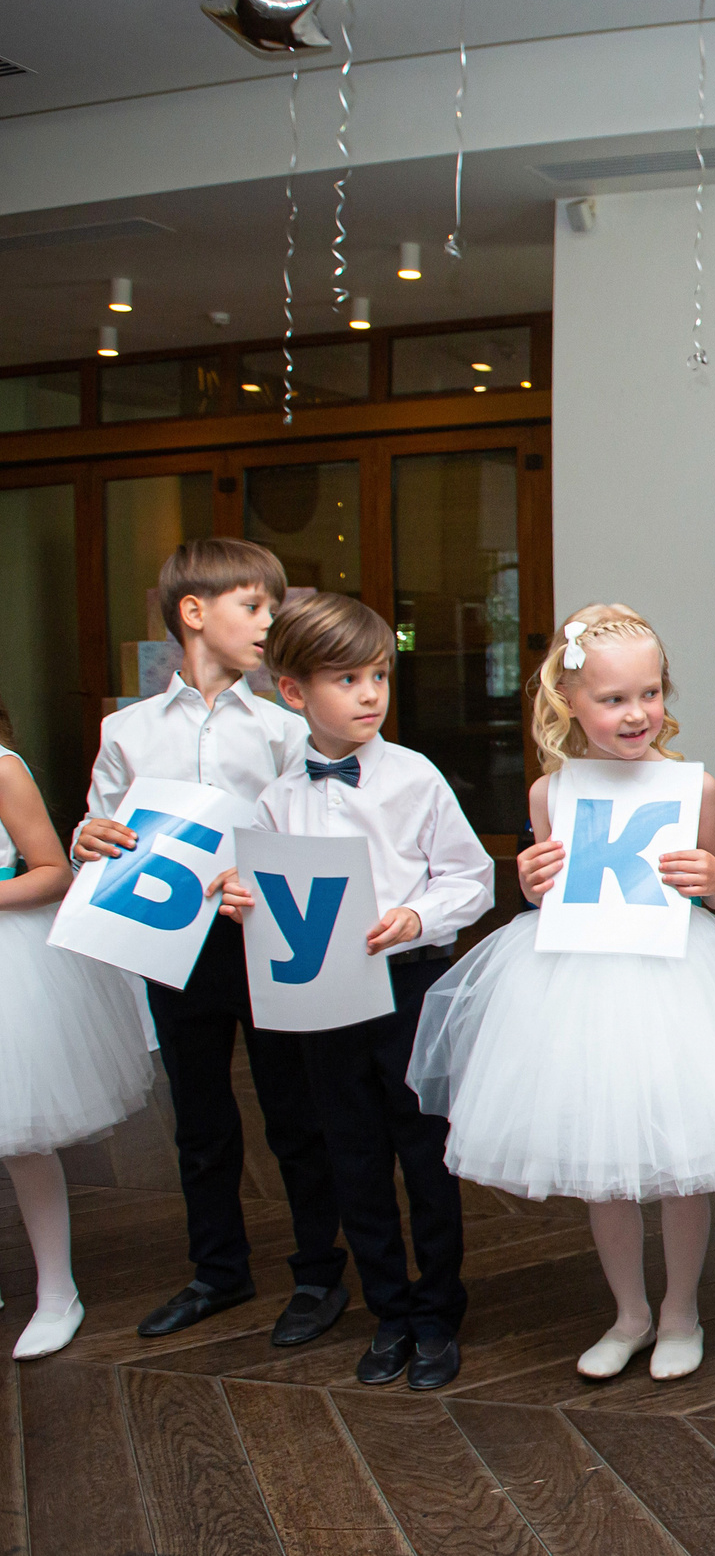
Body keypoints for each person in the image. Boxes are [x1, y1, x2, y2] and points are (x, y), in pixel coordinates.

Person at [411, 605, 715, 1385]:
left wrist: (713, 882)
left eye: (650, 692)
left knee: (680, 1161)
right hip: (580, 986)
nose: (636, 714)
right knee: (603, 1158)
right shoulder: (549, 793)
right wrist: (531, 880)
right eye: (613, 699)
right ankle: (629, 1311)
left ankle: (681, 1310)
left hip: (675, 983)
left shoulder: (695, 785)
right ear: (570, 702)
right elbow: (551, 889)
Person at [75, 539, 349, 1346]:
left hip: (261, 934)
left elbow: (311, 826)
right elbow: (103, 824)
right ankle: (217, 1270)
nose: (271, 620)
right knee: (198, 1115)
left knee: (292, 1112)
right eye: (254, 606)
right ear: (194, 614)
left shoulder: (281, 727)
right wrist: (89, 835)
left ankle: (317, 1274)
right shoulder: (124, 729)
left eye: (273, 606)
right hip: (173, 945)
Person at [216, 595, 492, 1390]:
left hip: (407, 986)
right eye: (347, 678)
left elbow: (470, 879)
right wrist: (244, 897)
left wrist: (414, 914)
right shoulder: (278, 796)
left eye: (379, 675)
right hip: (323, 996)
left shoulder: (415, 777)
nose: (371, 693)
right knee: (353, 1154)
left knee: (425, 1151)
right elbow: (275, 900)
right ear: (294, 692)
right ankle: (389, 1311)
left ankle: (439, 1313)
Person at [0, 693, 155, 1360]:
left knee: (21, 1134)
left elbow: (52, 872)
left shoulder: (3, 767)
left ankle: (57, 1290)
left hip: (11, 955)